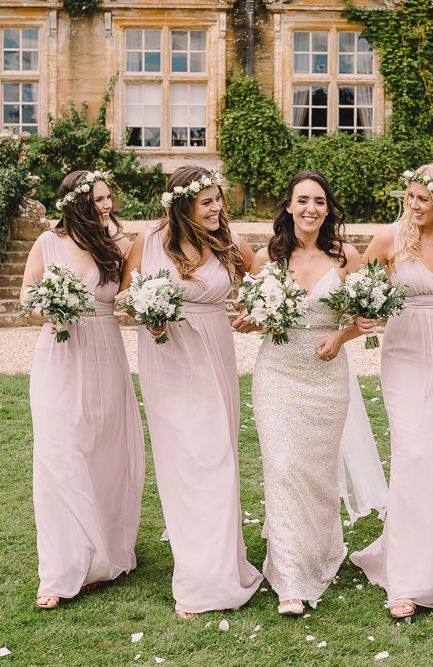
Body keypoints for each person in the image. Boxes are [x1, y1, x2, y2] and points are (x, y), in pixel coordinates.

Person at [122, 166, 262, 618]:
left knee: (218, 458)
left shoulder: (228, 243)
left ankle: (223, 569)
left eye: (219, 199)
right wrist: (149, 315)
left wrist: (254, 313)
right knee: (184, 463)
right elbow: (127, 296)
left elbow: (259, 283)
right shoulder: (150, 242)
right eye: (208, 202)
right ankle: (198, 575)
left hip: (214, 352)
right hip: (168, 357)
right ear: (184, 205)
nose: (218, 208)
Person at [350, 164, 433, 619]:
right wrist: (362, 316)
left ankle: (430, 545)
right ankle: (407, 579)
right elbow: (358, 291)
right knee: (414, 454)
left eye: (422, 199)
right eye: (408, 197)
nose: (413, 206)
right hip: (405, 354)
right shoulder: (389, 239)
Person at [233, 171, 368, 616]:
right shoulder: (266, 259)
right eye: (303, 200)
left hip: (327, 379)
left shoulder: (346, 256)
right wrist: (250, 322)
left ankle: (320, 549)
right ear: (288, 207)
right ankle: (290, 578)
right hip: (278, 373)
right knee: (284, 467)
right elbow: (250, 316)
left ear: (328, 210)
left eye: (320, 202)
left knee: (317, 471)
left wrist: (342, 337)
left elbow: (368, 314)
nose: (311, 209)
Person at [21, 170, 144, 609]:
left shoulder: (121, 244)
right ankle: (59, 571)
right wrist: (49, 310)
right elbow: (27, 297)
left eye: (109, 197)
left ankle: (106, 551)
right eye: (97, 200)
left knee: (106, 451)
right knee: (60, 453)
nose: (106, 206)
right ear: (75, 202)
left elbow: (131, 297)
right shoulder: (47, 243)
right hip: (60, 355)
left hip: (106, 352)